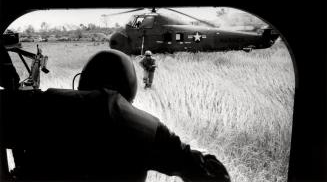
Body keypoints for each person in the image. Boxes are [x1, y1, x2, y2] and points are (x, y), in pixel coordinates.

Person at [1, 47, 231, 182]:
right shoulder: (150, 129)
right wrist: (202, 155)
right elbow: (212, 174)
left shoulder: (41, 104)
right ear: (130, 87)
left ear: (84, 79)